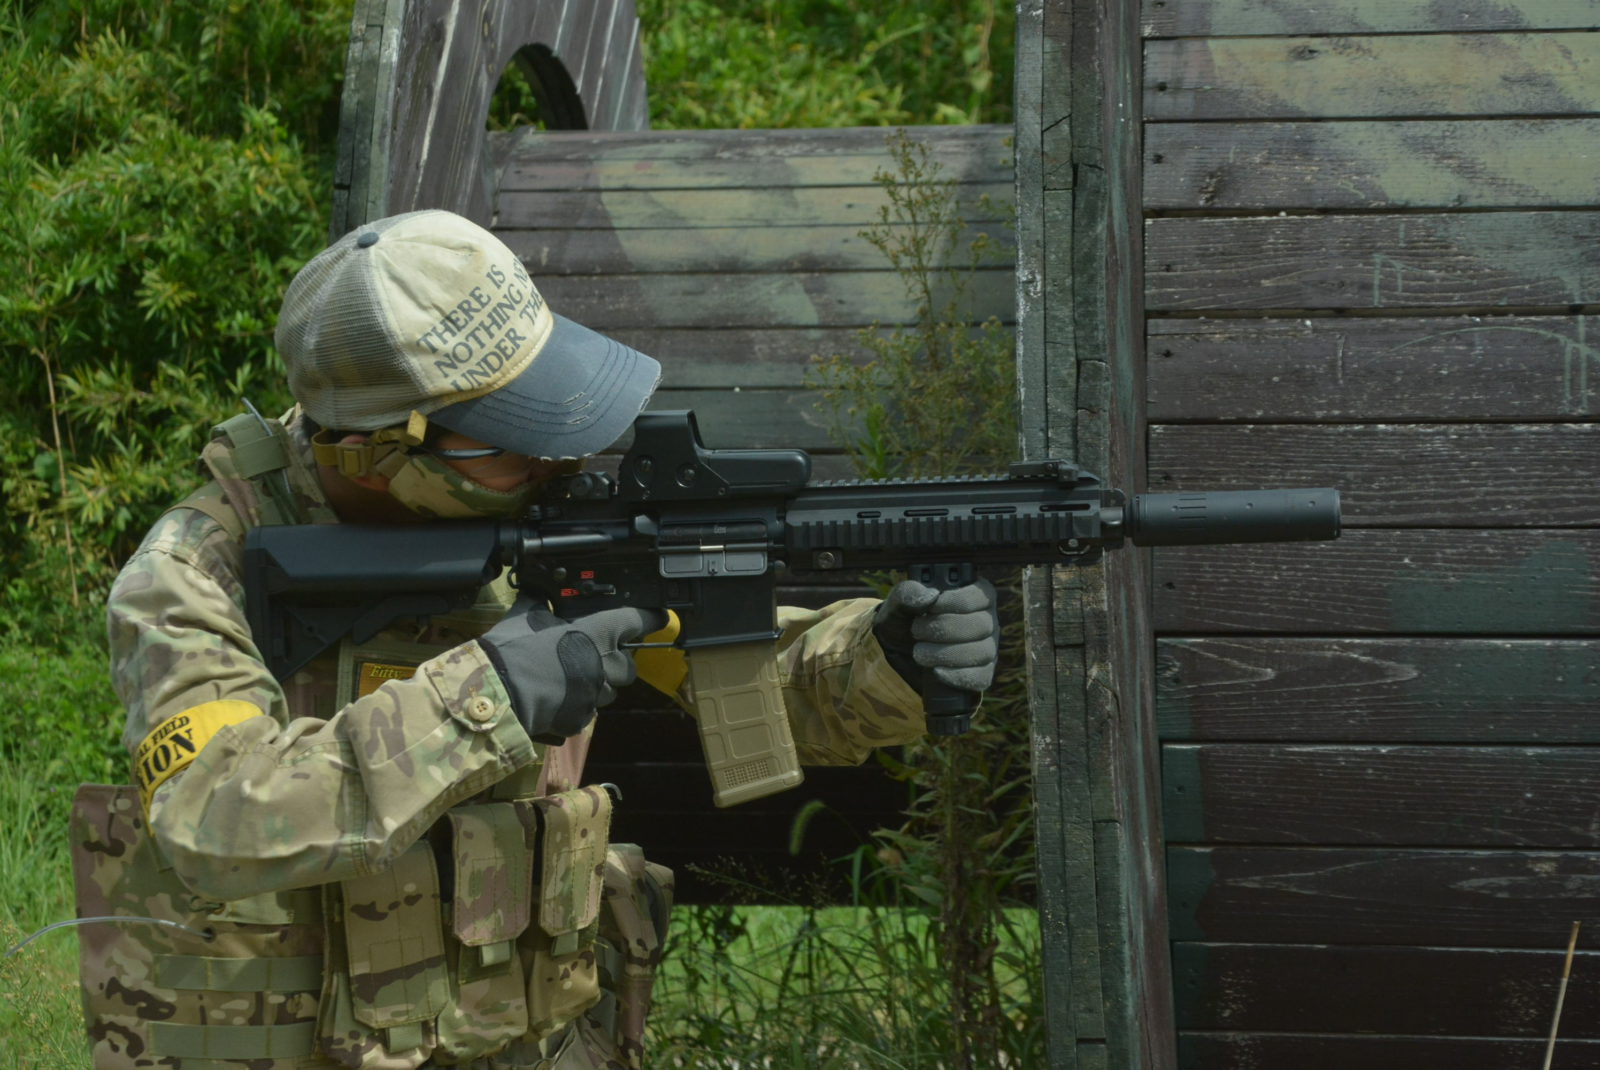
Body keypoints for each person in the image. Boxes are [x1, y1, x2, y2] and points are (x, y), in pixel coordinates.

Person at [72, 209, 999, 1070]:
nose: (559, 459)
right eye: (512, 437)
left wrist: (888, 658)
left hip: (529, 1038)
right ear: (375, 451)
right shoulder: (199, 570)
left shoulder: (543, 527)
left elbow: (756, 684)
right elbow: (214, 817)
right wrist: (493, 697)